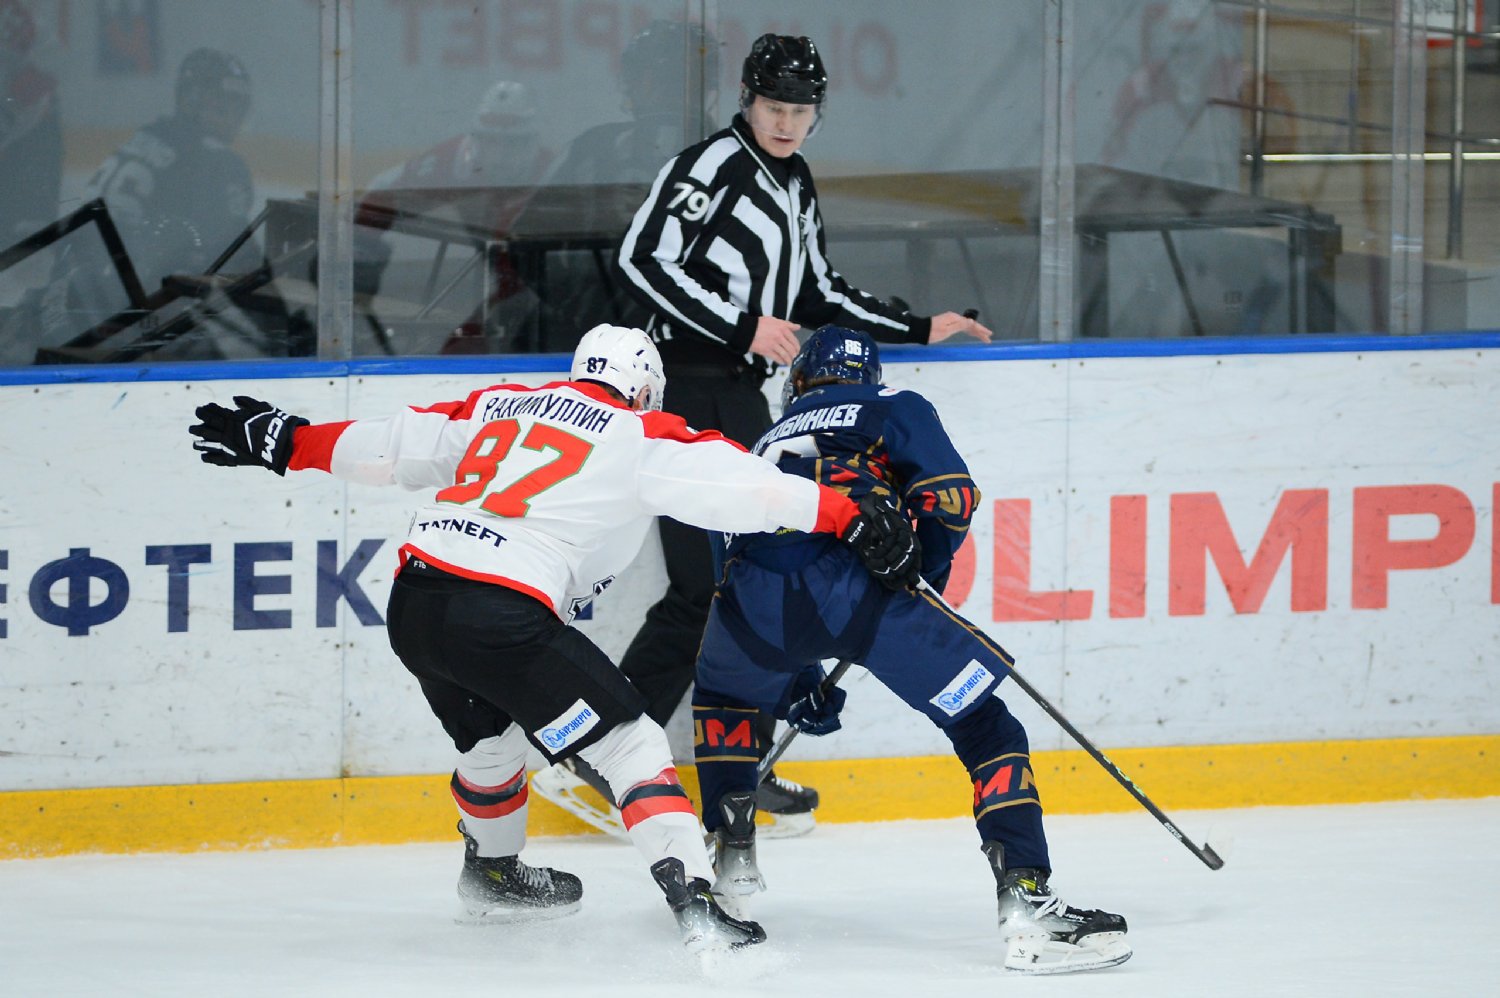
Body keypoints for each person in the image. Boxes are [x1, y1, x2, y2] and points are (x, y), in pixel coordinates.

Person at [185, 324, 920, 954]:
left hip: (416, 603)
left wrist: (288, 440)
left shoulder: (501, 404)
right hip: (500, 612)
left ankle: (492, 874)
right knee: (631, 743)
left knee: (492, 746)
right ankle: (698, 904)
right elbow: (744, 486)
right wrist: (846, 515)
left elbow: (396, 442)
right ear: (645, 388)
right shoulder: (641, 431)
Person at [535, 33, 996, 837]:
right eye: (774, 106)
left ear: (817, 115)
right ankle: (597, 754)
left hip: (740, 395)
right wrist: (743, 324)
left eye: (800, 109)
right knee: (707, 588)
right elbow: (643, 259)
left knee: (764, 578)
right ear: (747, 101)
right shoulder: (711, 166)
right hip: (688, 387)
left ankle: (738, 761)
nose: (786, 121)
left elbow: (817, 290)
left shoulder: (796, 182)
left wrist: (921, 326)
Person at [691, 325, 1132, 975]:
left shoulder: (762, 441)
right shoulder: (892, 402)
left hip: (749, 606)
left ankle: (727, 869)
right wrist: (921, 571)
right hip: (861, 591)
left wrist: (797, 678)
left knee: (725, 700)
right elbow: (951, 496)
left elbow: (731, 551)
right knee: (985, 726)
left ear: (799, 380)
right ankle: (1028, 903)